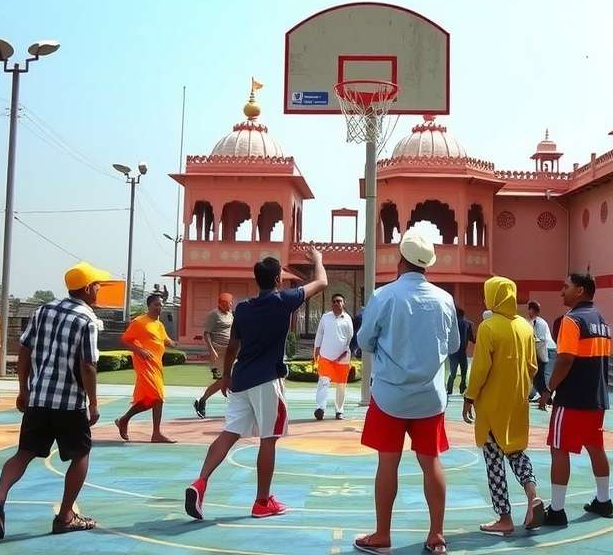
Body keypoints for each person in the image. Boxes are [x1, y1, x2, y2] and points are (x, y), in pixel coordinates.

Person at [185, 247, 327, 520]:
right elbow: (322, 282)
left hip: (240, 378)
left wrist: (226, 376)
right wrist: (317, 260)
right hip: (267, 380)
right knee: (268, 439)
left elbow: (233, 347)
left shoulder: (243, 308)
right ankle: (262, 501)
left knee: (229, 433)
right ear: (277, 280)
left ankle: (200, 481)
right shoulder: (283, 300)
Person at [0, 261, 108, 539]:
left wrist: (23, 389)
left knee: (23, 453)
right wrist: (94, 403)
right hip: (69, 403)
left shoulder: (44, 310)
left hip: (38, 398)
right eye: (98, 285)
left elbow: (24, 348)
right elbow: (88, 365)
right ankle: (65, 516)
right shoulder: (86, 320)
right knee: (80, 455)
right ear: (88, 288)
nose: (99, 289)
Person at [354, 228, 459, 555]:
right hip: (430, 397)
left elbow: (364, 341)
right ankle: (436, 536)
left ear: (400, 260)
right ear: (427, 264)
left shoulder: (384, 296)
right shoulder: (445, 300)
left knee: (388, 464)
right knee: (431, 463)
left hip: (390, 396)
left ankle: (383, 535)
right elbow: (454, 345)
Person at [463, 276, 544, 535]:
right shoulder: (524, 326)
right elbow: (532, 366)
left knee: (494, 461)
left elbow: (480, 369)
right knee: (517, 451)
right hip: (518, 401)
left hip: (492, 404)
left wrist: (469, 397)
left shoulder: (488, 327)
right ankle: (533, 496)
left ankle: (504, 518)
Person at [540, 273, 613, 526]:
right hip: (597, 398)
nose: (562, 292)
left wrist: (550, 387)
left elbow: (565, 359)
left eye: (566, 287)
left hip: (572, 398)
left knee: (559, 449)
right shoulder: (602, 321)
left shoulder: (572, 320)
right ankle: (603, 501)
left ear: (580, 290)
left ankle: (557, 510)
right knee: (596, 447)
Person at [115, 293, 178, 443]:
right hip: (144, 365)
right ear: (149, 306)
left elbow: (165, 339)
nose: (159, 307)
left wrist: (174, 343)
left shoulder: (159, 325)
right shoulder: (139, 321)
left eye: (161, 305)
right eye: (156, 305)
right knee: (158, 396)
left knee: (150, 399)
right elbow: (124, 340)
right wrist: (140, 350)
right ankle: (156, 433)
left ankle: (123, 420)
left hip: (156, 365)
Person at [313, 293, 353, 421]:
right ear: (332, 304)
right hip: (326, 357)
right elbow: (319, 334)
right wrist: (316, 349)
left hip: (342, 359)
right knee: (323, 382)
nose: (336, 303)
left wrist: (345, 352)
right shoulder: (325, 317)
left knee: (341, 385)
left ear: (343, 303)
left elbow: (350, 338)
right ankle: (320, 408)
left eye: (339, 301)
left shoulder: (347, 319)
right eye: (334, 301)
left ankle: (339, 411)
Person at [193, 293, 234, 418]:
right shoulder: (214, 314)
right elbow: (207, 334)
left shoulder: (230, 314)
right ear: (221, 303)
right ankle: (204, 401)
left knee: (225, 380)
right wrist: (211, 350)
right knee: (226, 379)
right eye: (229, 303)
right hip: (218, 351)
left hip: (230, 351)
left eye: (231, 302)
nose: (231, 304)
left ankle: (203, 400)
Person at [527, 301, 556, 407]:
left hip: (547, 350)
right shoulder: (534, 321)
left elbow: (540, 341)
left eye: (530, 309)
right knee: (538, 376)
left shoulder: (538, 322)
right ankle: (544, 397)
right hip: (542, 350)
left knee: (544, 376)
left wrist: (542, 358)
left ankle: (546, 398)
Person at [446, 308, 475, 395]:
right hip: (463, 351)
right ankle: (462, 388)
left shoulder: (451, 323)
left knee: (453, 372)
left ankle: (449, 389)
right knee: (464, 372)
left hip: (453, 351)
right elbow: (471, 338)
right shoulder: (467, 324)